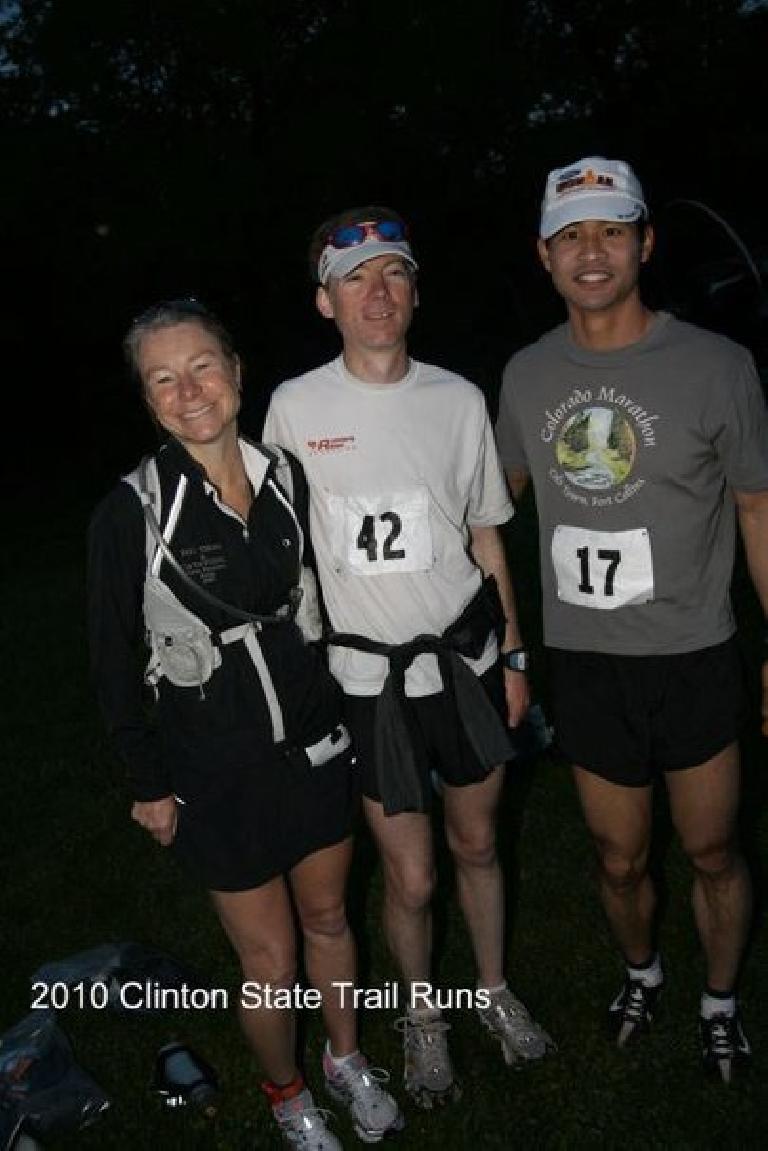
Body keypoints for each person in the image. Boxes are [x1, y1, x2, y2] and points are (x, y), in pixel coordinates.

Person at [87, 299, 403, 1148]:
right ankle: (288, 1090)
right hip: (215, 772)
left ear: (235, 371)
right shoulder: (133, 510)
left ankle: (345, 1057)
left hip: (314, 746)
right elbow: (113, 663)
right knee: (271, 961)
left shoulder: (286, 476)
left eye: (201, 366)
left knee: (332, 920)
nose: (188, 390)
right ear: (148, 400)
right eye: (163, 378)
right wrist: (148, 784)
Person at [263, 210, 554, 1109]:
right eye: (356, 277)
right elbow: (280, 552)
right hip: (364, 682)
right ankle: (424, 1019)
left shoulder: (459, 398)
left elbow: (486, 538)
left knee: (476, 843)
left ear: (416, 290)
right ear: (326, 300)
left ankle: (495, 993)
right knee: (412, 874)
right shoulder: (294, 407)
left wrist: (512, 652)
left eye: (393, 273)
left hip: (462, 665)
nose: (377, 291)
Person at [495, 156, 768, 1083]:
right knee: (619, 859)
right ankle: (643, 973)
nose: (592, 250)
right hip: (586, 664)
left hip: (694, 653)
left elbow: (758, 511)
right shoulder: (528, 375)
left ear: (645, 242)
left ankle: (720, 1001)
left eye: (612, 228)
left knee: (714, 847)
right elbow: (491, 507)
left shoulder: (718, 366)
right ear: (544, 254)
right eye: (571, 233)